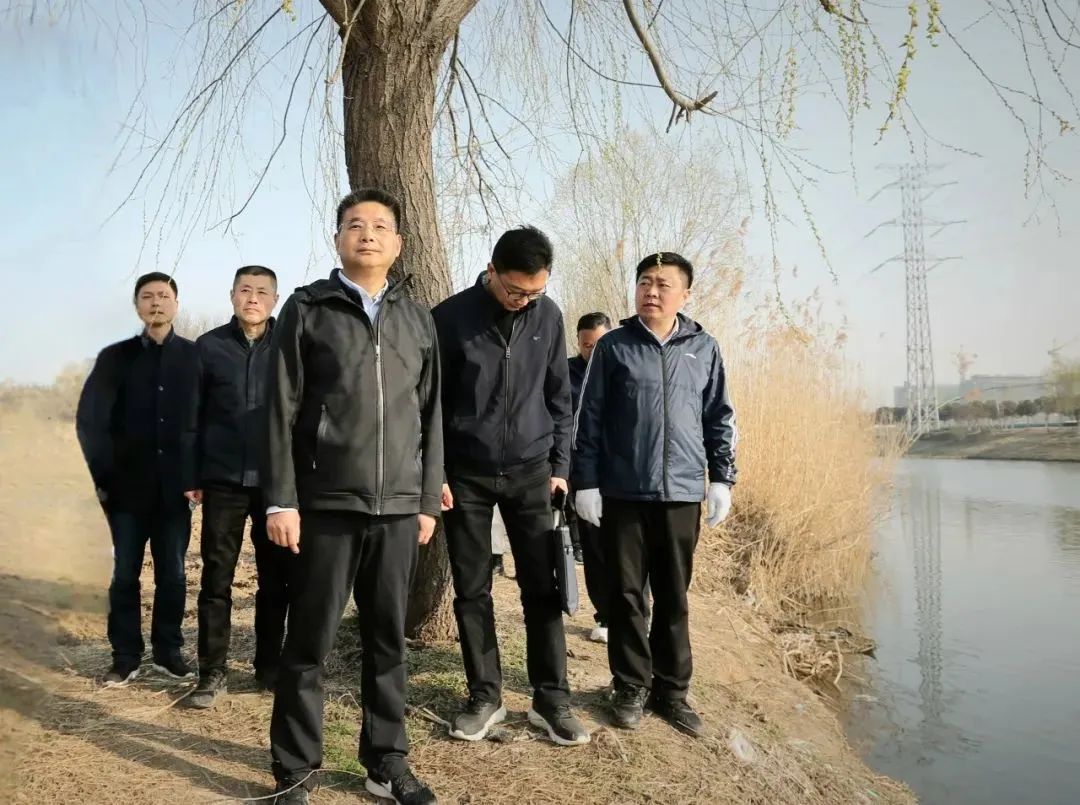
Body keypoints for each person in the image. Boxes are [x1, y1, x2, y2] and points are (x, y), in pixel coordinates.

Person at [263, 189, 442, 805]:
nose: (368, 234)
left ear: (398, 243)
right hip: (326, 506)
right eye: (355, 225)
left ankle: (385, 761)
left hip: (398, 511)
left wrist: (425, 501)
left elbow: (431, 415)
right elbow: (280, 409)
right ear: (337, 238)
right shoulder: (308, 309)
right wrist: (281, 500)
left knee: (388, 642)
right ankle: (295, 769)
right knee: (308, 641)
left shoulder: (417, 319)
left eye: (381, 226)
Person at [433, 226, 589, 747]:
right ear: (492, 271)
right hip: (467, 475)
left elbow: (559, 398)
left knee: (542, 587)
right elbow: (431, 406)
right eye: (515, 290)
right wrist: (437, 473)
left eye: (535, 292)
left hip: (532, 471)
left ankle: (552, 699)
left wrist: (560, 466)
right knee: (472, 587)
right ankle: (485, 696)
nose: (524, 301)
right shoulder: (450, 318)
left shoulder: (548, 316)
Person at [572, 252, 737, 736]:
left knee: (673, 596)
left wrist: (722, 479)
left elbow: (719, 417)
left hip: (682, 492)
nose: (652, 291)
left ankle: (672, 691)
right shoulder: (614, 346)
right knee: (626, 596)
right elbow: (589, 418)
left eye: (664, 284)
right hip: (623, 492)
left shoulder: (703, 348)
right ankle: (629, 686)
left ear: (685, 293)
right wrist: (586, 482)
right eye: (645, 281)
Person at [76, 272, 201, 687]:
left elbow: (207, 421)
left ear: (176, 304)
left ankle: (168, 652)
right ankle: (125, 657)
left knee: (173, 574)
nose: (156, 302)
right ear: (137, 306)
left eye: (164, 295)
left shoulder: (195, 358)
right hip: (125, 493)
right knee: (124, 574)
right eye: (147, 296)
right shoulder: (115, 358)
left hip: (176, 491)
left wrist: (197, 476)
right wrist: (104, 479)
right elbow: (91, 422)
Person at [187, 266, 293, 709]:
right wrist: (191, 474)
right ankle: (212, 673)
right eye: (245, 290)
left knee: (276, 581)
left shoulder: (290, 345)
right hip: (223, 481)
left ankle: (269, 668)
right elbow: (190, 416)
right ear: (232, 295)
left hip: (275, 484)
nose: (253, 298)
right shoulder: (208, 347)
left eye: (262, 292)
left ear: (275, 299)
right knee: (216, 579)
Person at [566, 312, 612, 643]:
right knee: (595, 551)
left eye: (599, 344)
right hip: (582, 474)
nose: (592, 351)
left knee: (628, 552)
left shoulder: (623, 367)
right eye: (587, 345)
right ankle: (605, 616)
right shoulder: (565, 372)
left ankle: (639, 615)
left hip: (622, 476)